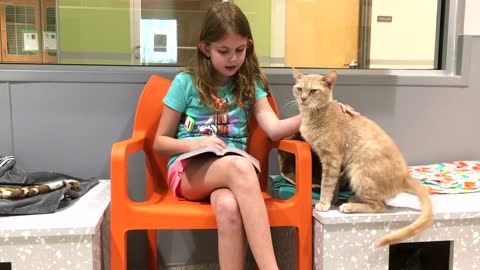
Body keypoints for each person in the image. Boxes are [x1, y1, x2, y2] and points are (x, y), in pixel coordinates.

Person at [153, 2, 358, 269]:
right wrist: (197, 142)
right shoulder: (185, 82)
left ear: (248, 46)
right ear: (205, 48)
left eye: (240, 50)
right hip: (189, 172)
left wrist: (325, 109)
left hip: (233, 172)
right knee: (240, 167)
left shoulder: (250, 82)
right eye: (223, 51)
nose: (233, 59)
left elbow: (273, 128)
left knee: (228, 208)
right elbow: (160, 142)